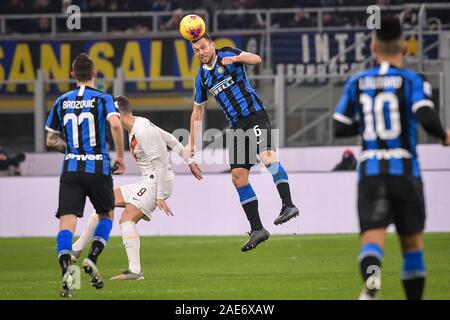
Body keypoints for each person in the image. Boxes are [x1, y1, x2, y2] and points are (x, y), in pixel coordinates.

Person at [333, 16, 450, 300]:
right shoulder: (413, 80)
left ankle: (372, 286)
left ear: (373, 47)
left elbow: (339, 126)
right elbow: (426, 116)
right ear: (404, 47)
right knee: (412, 244)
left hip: (371, 172)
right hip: (406, 171)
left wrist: (369, 124)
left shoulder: (358, 81)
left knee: (372, 241)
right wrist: (444, 136)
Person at [70, 95, 202, 280]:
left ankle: (135, 271)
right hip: (148, 180)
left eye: (110, 115)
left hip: (157, 181)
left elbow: (161, 164)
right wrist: (189, 160)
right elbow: (170, 138)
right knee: (104, 202)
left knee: (126, 219)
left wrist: (161, 196)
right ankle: (76, 249)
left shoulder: (142, 132)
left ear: (118, 113)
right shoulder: (139, 123)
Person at [189, 33, 299, 252]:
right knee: (238, 177)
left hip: (255, 115)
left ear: (212, 45)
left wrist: (237, 59)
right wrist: (192, 145)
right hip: (237, 128)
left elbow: (256, 59)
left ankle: (288, 204)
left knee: (267, 157)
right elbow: (197, 111)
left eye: (203, 47)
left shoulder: (227, 53)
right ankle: (258, 229)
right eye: (196, 50)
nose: (201, 52)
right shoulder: (202, 77)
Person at [45, 53, 125, 297]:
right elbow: (115, 124)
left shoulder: (61, 101)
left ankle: (68, 276)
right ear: (95, 73)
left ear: (72, 75)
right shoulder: (103, 98)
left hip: (70, 169)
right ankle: (92, 257)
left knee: (67, 223)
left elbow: (50, 139)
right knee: (107, 215)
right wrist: (120, 156)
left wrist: (69, 148)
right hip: (98, 167)